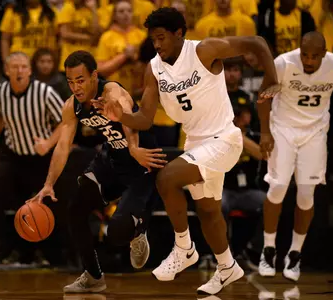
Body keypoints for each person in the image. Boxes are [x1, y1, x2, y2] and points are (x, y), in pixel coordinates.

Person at [92, 7, 279, 295]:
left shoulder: (204, 51)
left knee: (166, 178)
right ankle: (228, 266)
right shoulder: (154, 68)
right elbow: (144, 118)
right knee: (207, 210)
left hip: (224, 139)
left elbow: (257, 43)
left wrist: (272, 78)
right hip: (194, 142)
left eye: (162, 38)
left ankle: (183, 248)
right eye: (153, 40)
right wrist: (120, 117)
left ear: (179, 33)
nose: (157, 45)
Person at [28, 50, 164, 293]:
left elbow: (128, 114)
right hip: (112, 159)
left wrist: (133, 147)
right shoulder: (72, 106)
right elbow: (62, 146)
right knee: (75, 209)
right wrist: (48, 184)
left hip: (142, 161)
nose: (75, 87)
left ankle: (138, 230)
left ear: (93, 76)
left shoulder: (111, 92)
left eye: (80, 80)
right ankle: (93, 275)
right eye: (70, 81)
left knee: (117, 233)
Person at [257, 31, 333, 282]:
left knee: (306, 194)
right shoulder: (284, 64)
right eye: (305, 55)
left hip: (315, 133)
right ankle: (268, 249)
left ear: (324, 54)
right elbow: (263, 96)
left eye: (314, 57)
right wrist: (265, 132)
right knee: (277, 187)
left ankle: (295, 253)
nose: (308, 61)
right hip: (283, 129)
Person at [0, 52, 64, 265]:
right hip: (13, 157)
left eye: (23, 67)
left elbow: (65, 122)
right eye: (15, 67)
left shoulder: (44, 92)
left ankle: (50, 255)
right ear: (7, 71)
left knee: (46, 205)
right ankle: (2, 249)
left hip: (42, 159)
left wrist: (48, 143)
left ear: (30, 70)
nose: (19, 71)